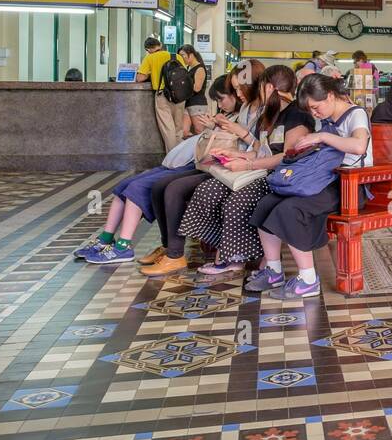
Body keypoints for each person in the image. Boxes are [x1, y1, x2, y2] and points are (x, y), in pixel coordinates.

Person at [245, 73, 378, 299]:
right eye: (311, 110)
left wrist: (321, 137)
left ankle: (307, 279)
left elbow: (358, 145)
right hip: (322, 180)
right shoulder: (322, 120)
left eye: (316, 108)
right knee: (266, 203)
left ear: (329, 96)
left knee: (290, 210)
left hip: (348, 186)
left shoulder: (356, 114)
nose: (314, 114)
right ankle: (273, 271)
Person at [180, 64, 311, 279]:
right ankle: (224, 250)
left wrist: (248, 164)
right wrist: (238, 156)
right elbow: (261, 148)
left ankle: (236, 258)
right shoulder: (269, 112)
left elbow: (287, 157)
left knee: (236, 202)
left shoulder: (296, 115)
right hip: (257, 169)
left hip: (277, 176)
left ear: (268, 87)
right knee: (207, 191)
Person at [139, 74, 241, 276]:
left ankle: (175, 255)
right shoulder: (232, 114)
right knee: (159, 185)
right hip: (215, 166)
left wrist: (224, 129)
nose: (220, 104)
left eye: (222, 98)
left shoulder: (249, 112)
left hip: (229, 170)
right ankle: (168, 247)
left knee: (174, 189)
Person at [74, 132, 199, 264]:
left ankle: (123, 246)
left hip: (197, 164)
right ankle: (106, 238)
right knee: (123, 187)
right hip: (184, 160)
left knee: (137, 188)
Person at [136, 36, 185, 152]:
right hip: (180, 95)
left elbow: (140, 78)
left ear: (148, 50)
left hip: (163, 95)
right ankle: (180, 157)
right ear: (160, 45)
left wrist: (150, 73)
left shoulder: (150, 58)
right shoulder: (176, 56)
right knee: (178, 128)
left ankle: (172, 158)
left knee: (168, 128)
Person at [176, 44, 209, 137]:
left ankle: (204, 150)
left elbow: (197, 88)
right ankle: (192, 150)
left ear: (191, 55)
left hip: (197, 104)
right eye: (180, 56)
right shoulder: (189, 69)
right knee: (184, 132)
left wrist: (183, 84)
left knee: (200, 131)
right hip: (188, 103)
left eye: (183, 55)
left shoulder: (200, 68)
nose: (181, 58)